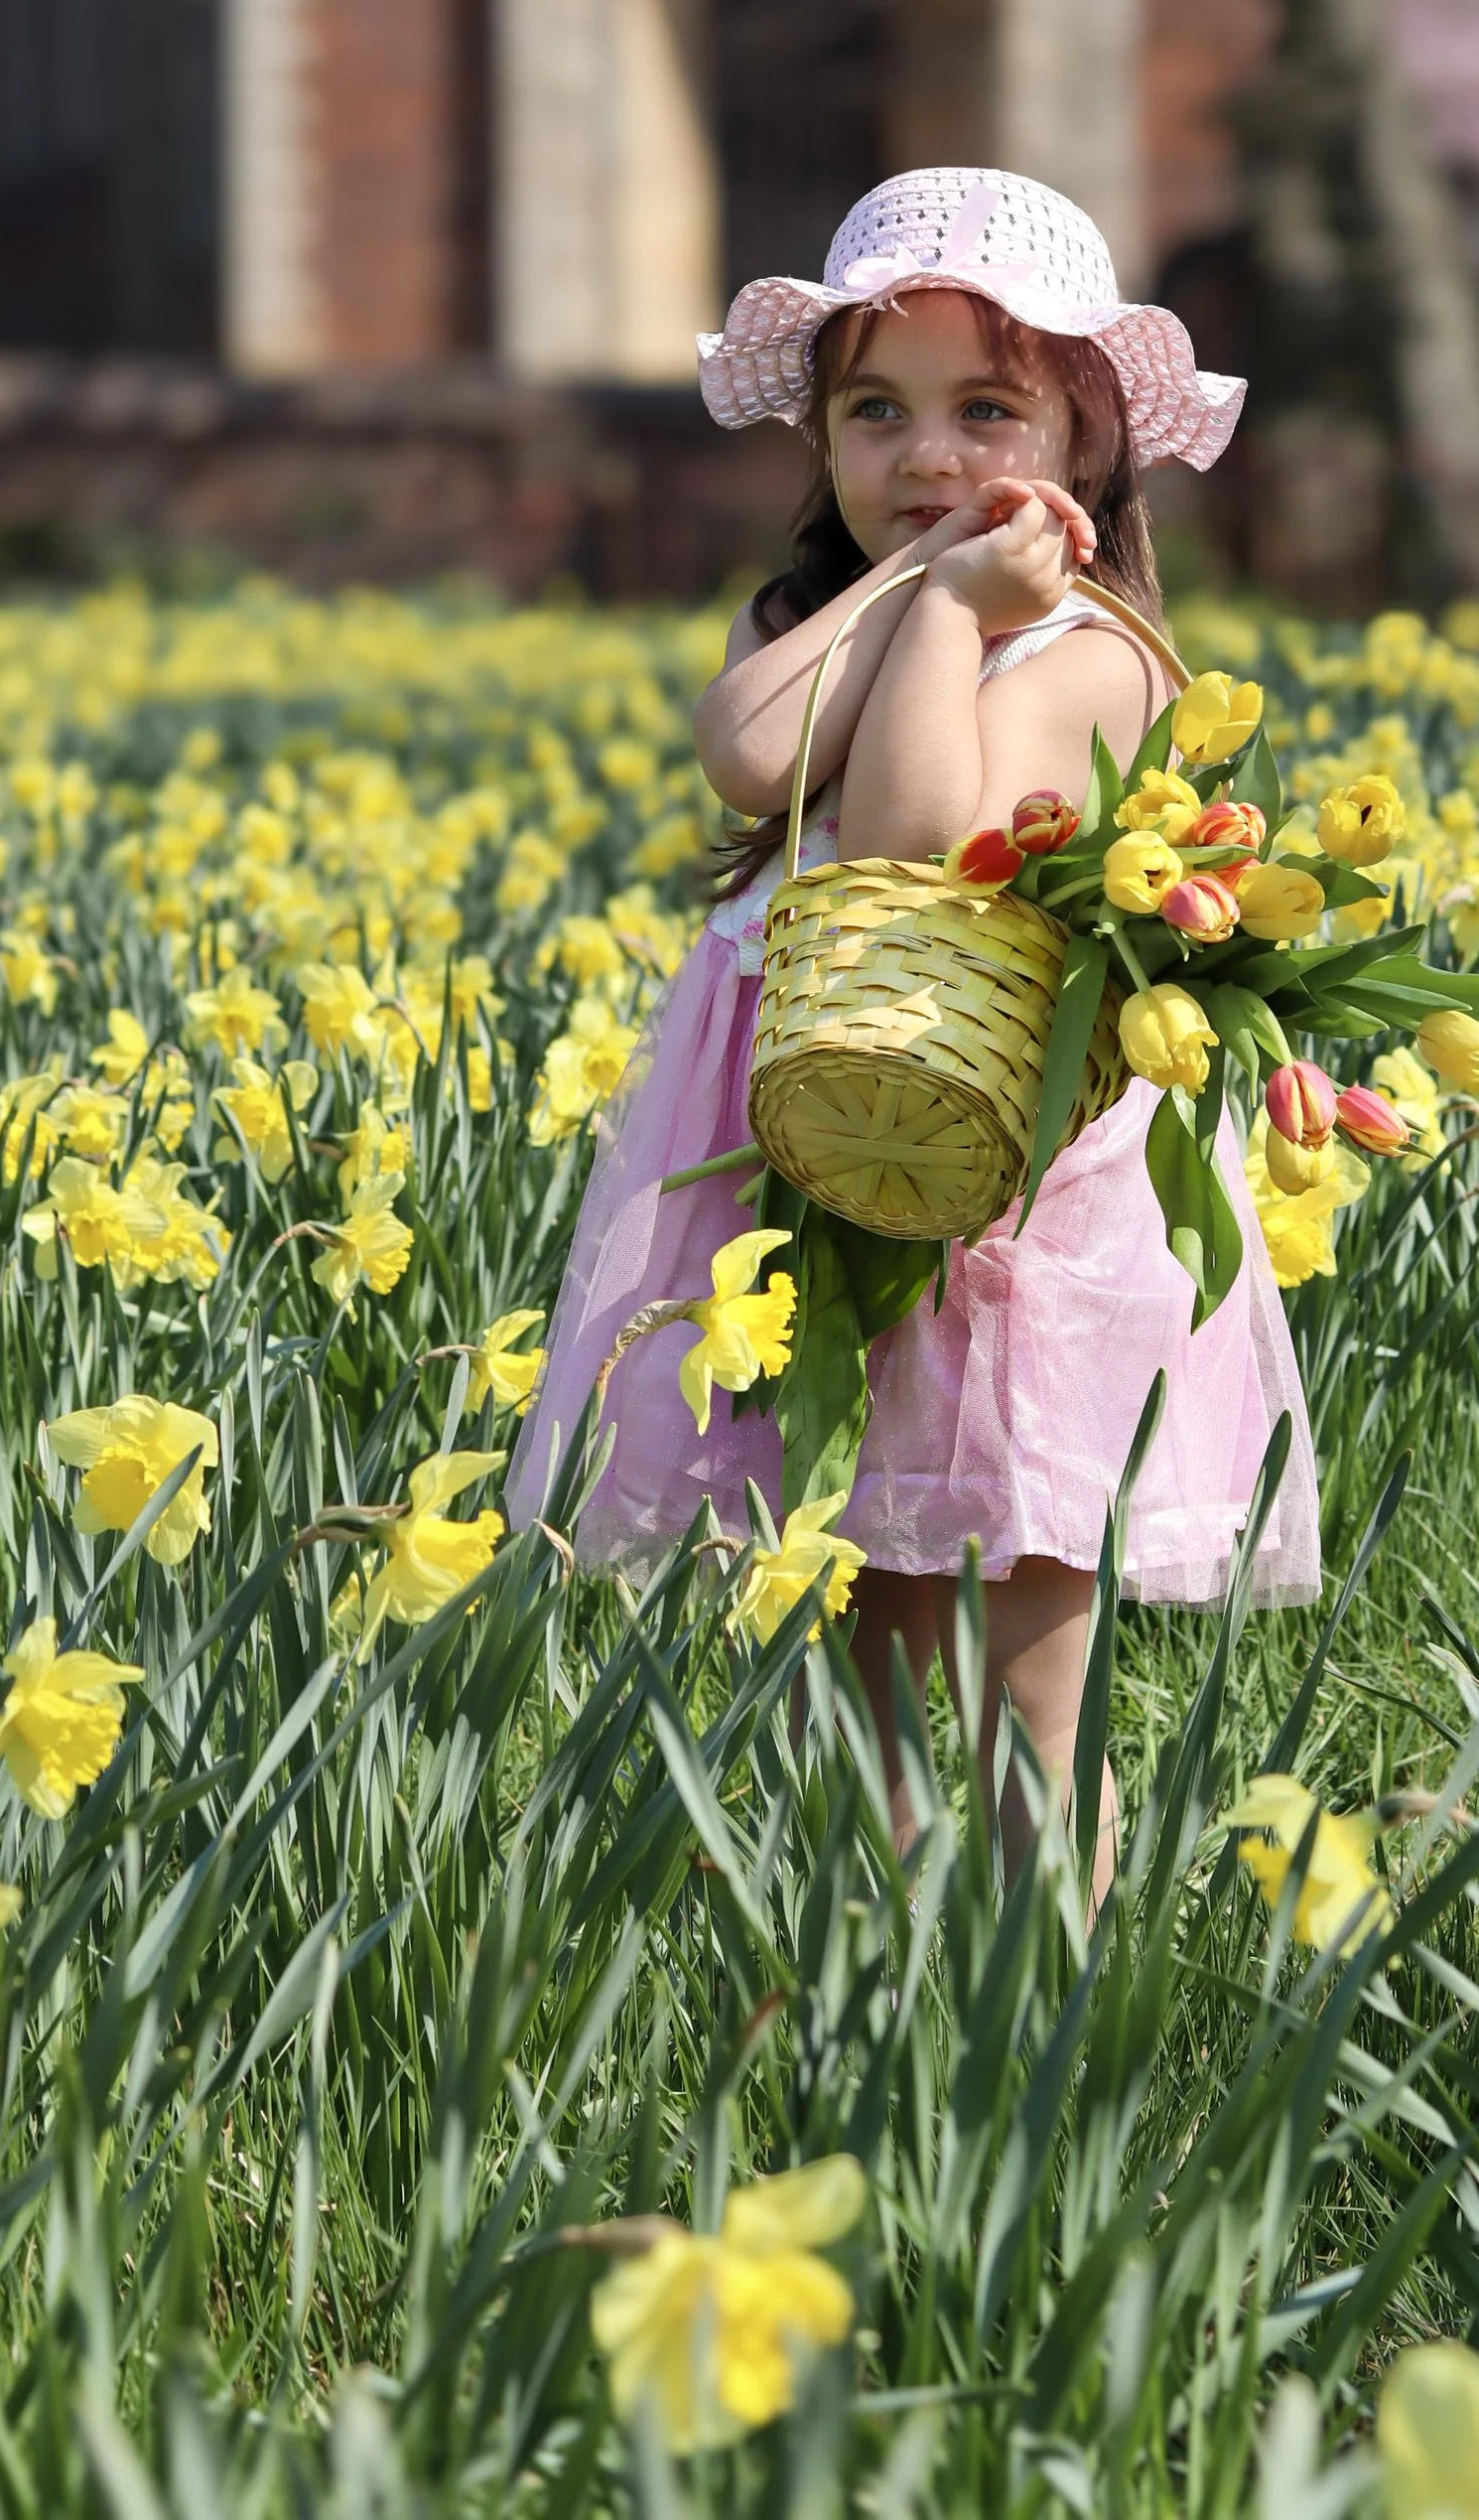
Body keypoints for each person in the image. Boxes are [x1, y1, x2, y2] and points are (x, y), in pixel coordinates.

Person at [509, 167, 1319, 1875]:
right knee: (856, 1627)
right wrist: (899, 594)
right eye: (876, 411)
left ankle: (1053, 2001)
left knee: (1029, 1659)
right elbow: (742, 754)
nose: (929, 458)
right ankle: (866, 1983)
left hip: (1017, 1194)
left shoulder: (1099, 652)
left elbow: (919, 843)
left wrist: (955, 609)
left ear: (1089, 444)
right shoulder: (809, 619)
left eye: (986, 411)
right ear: (819, 439)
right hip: (814, 1156)